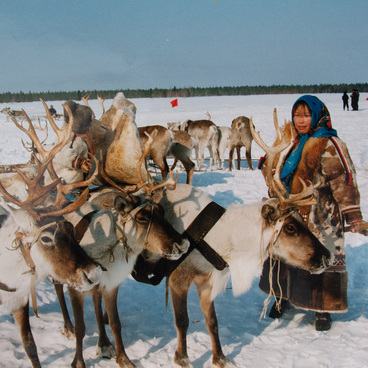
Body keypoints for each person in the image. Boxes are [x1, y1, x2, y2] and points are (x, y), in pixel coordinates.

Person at [258, 95, 368, 331]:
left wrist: (353, 217)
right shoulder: (292, 143)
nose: (300, 120)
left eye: (306, 115)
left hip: (322, 215)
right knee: (286, 256)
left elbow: (344, 181)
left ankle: (323, 308)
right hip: (292, 213)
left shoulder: (331, 144)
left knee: (322, 258)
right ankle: (282, 297)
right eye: (297, 115)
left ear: (317, 115)